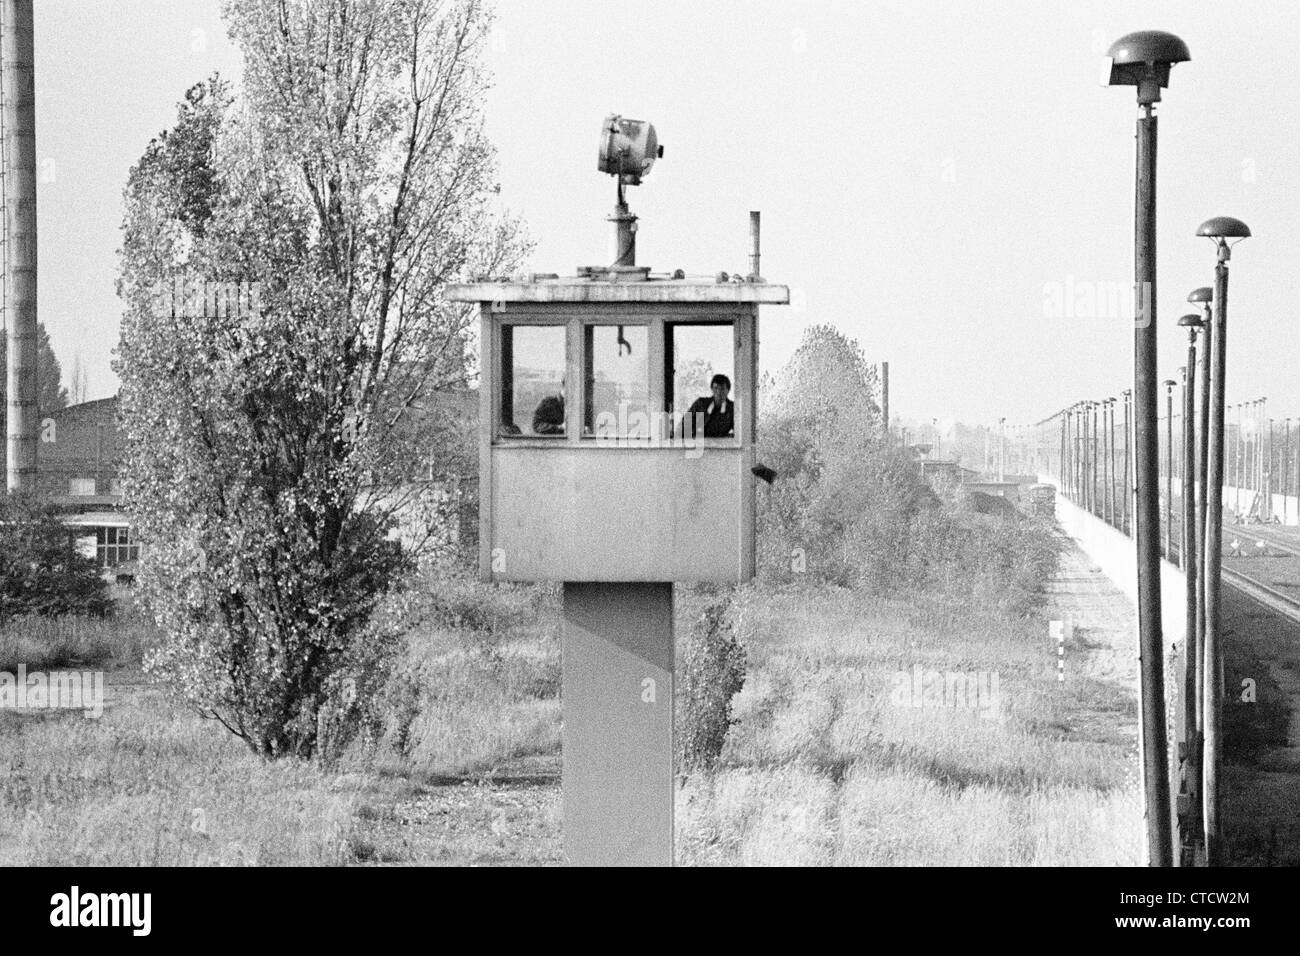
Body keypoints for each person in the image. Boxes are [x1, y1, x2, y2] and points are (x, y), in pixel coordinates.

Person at [682, 373, 734, 438]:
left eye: (722, 389)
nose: (718, 392)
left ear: (728, 390)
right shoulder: (700, 404)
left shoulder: (732, 408)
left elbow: (740, 432)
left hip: (720, 445)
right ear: (711, 389)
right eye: (716, 388)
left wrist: (728, 437)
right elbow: (684, 425)